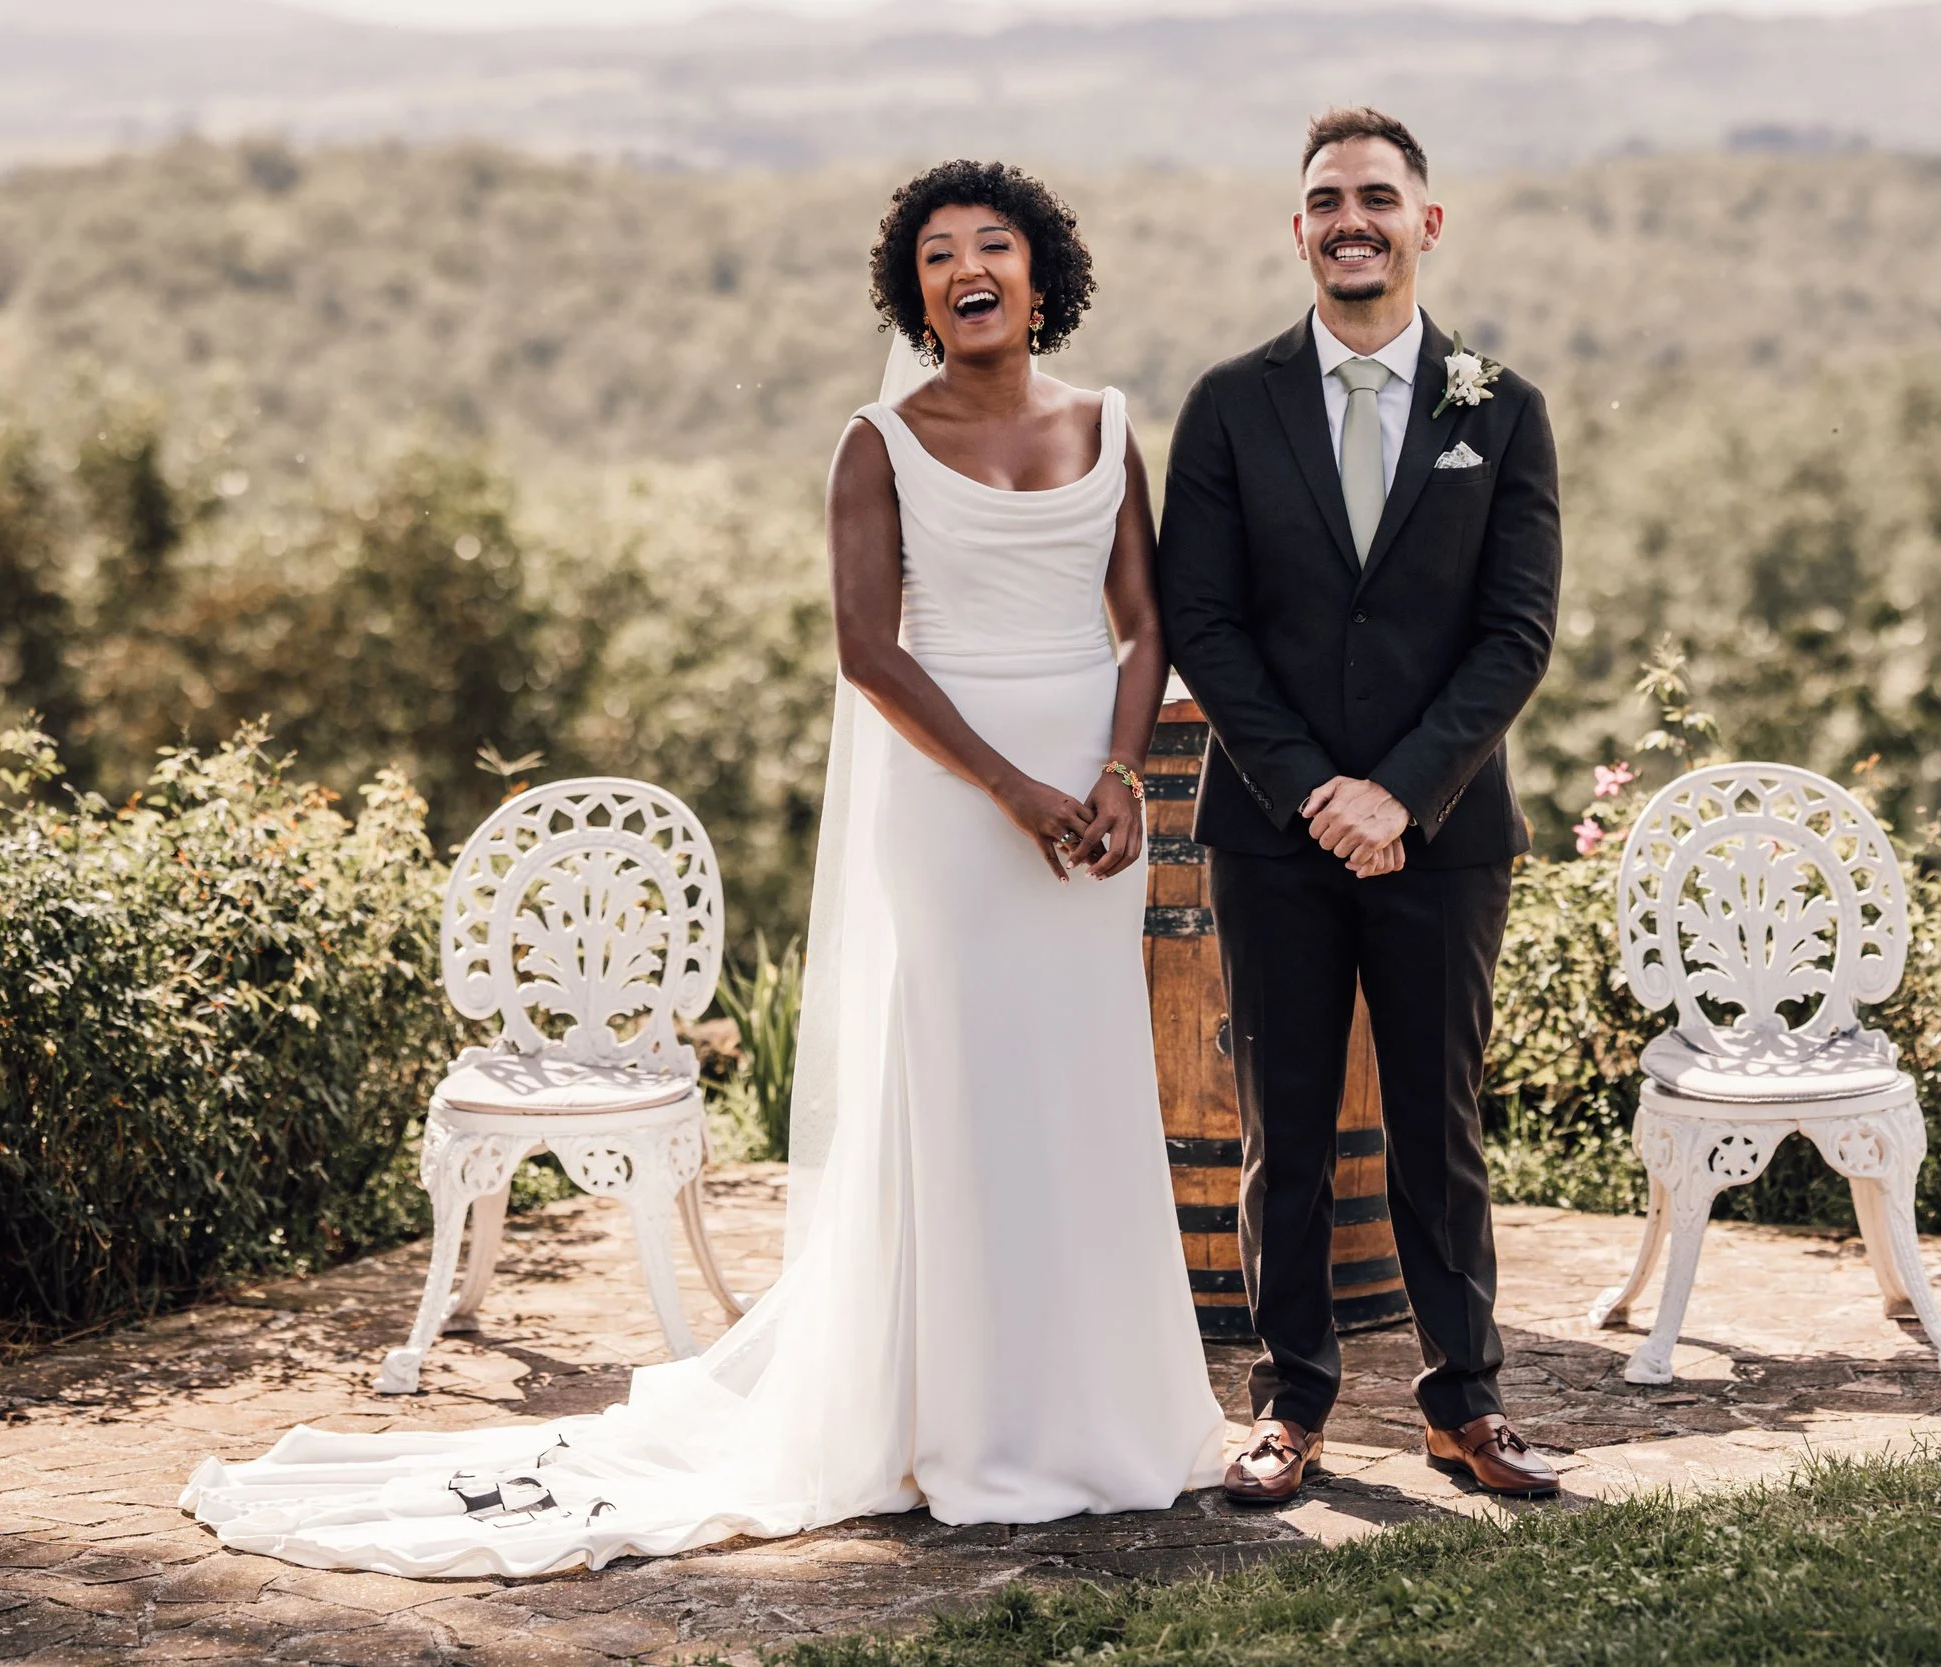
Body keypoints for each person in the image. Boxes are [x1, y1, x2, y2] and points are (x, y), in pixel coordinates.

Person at [178, 161, 1228, 1578]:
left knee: (1084, 1093)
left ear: (1045, 276)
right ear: (912, 291)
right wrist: (1016, 788)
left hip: (1094, 813)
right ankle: (970, 1424)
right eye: (936, 254)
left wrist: (1109, 778)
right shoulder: (879, 441)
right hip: (959, 805)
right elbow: (870, 653)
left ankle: (1108, 1413)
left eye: (995, 245)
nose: (967, 267)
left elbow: (1145, 625)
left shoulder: (1109, 428)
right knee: (968, 1095)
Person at [1157, 107, 1563, 1505]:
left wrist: (1399, 793)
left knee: (1438, 1123)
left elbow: (1515, 634)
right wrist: (1315, 788)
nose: (1353, 218)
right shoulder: (1227, 403)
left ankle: (1467, 1403)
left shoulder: (1499, 408)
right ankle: (1289, 1404)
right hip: (1272, 833)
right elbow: (1202, 623)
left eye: (1378, 197)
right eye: (1327, 197)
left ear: (1425, 224)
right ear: (1299, 229)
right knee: (1284, 1129)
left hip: (1444, 837)